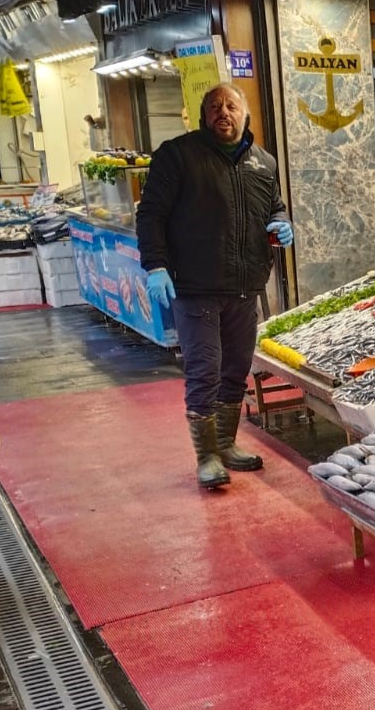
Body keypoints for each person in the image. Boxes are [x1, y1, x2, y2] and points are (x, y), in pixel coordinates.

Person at [137, 83, 292, 490]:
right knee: (205, 370)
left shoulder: (264, 163)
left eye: (232, 105)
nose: (224, 112)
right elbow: (151, 213)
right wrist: (155, 264)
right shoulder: (178, 155)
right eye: (215, 107)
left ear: (246, 114)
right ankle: (205, 456)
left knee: (236, 370)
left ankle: (225, 444)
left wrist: (281, 221)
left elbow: (273, 206)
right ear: (205, 115)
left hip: (245, 285)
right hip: (196, 286)